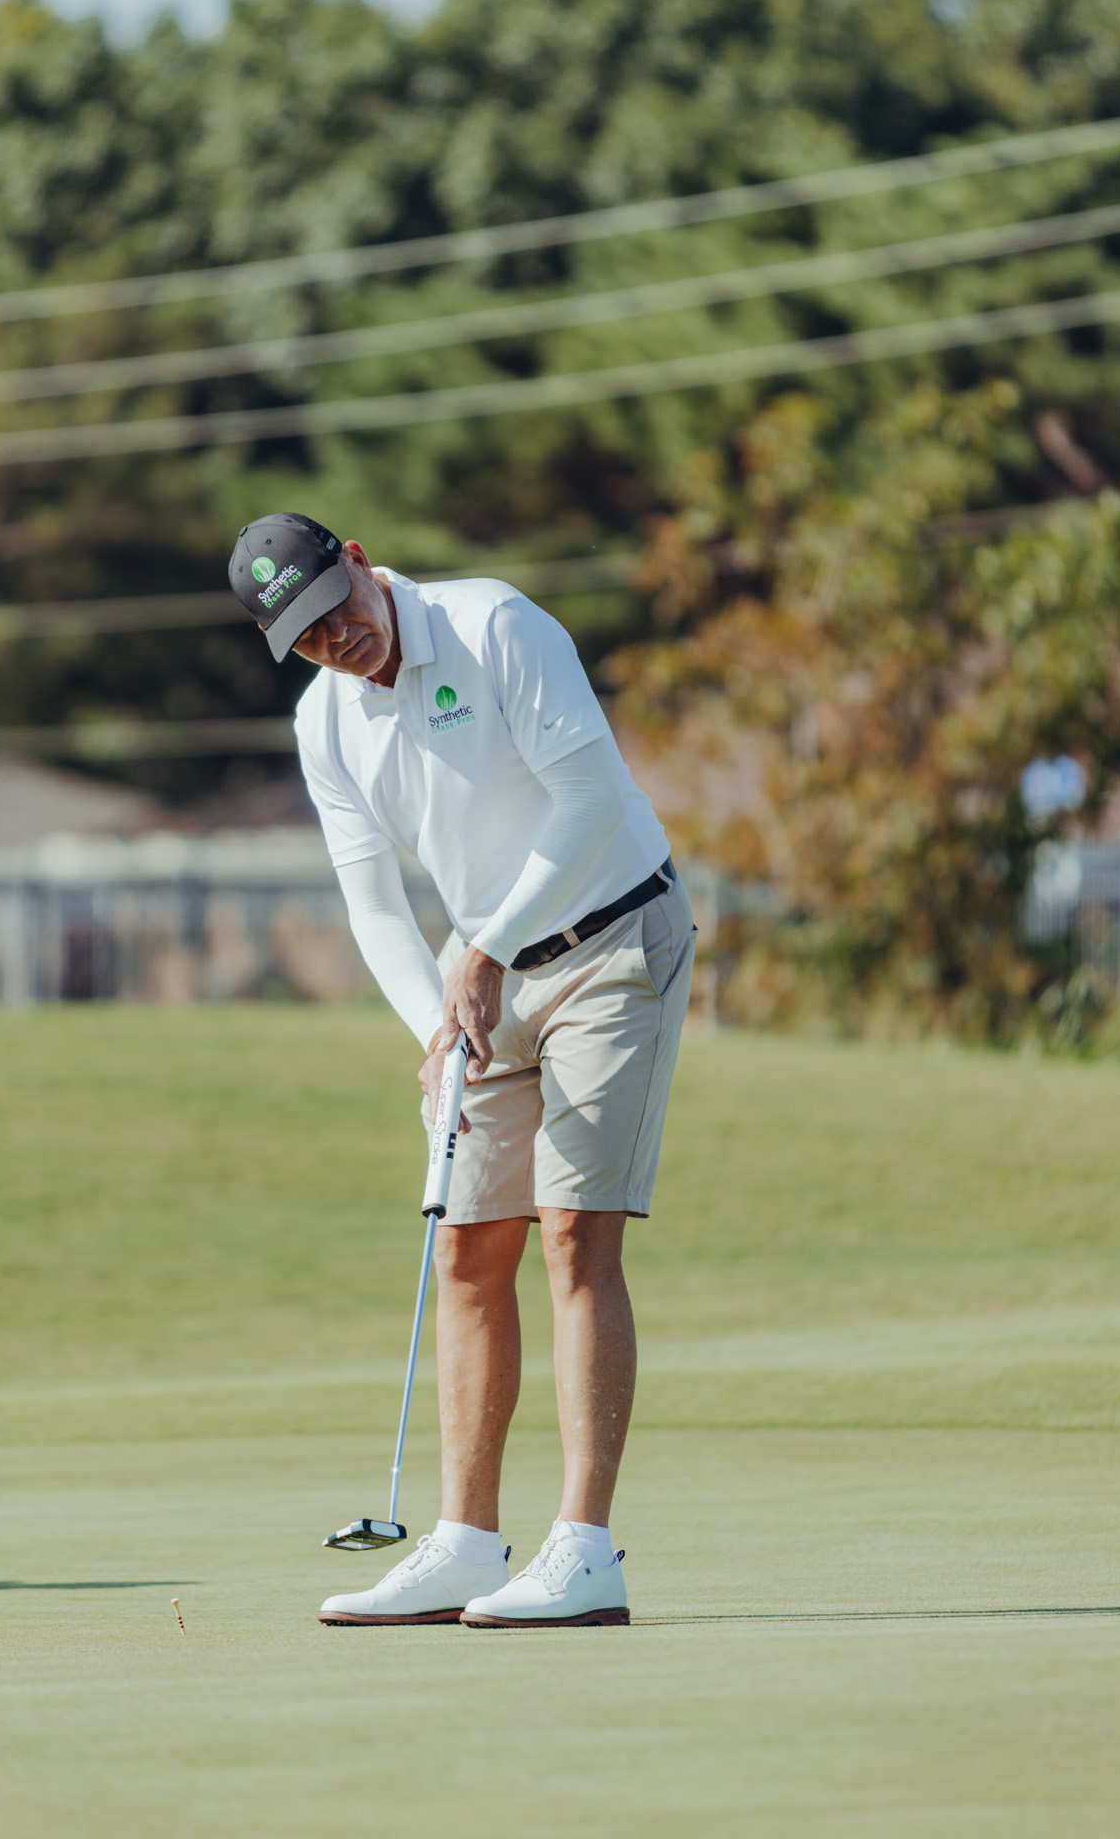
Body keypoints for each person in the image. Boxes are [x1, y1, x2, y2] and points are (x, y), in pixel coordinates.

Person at [229, 512, 696, 1628]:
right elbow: (373, 904)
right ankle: (466, 1545)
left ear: (357, 561)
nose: (335, 640)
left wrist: (483, 951)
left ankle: (585, 1551)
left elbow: (589, 800)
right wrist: (432, 1038)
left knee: (573, 1233)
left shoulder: (494, 626)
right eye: (305, 637)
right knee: (468, 1248)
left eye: (335, 609)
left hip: (613, 937)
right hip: (480, 975)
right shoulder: (324, 721)